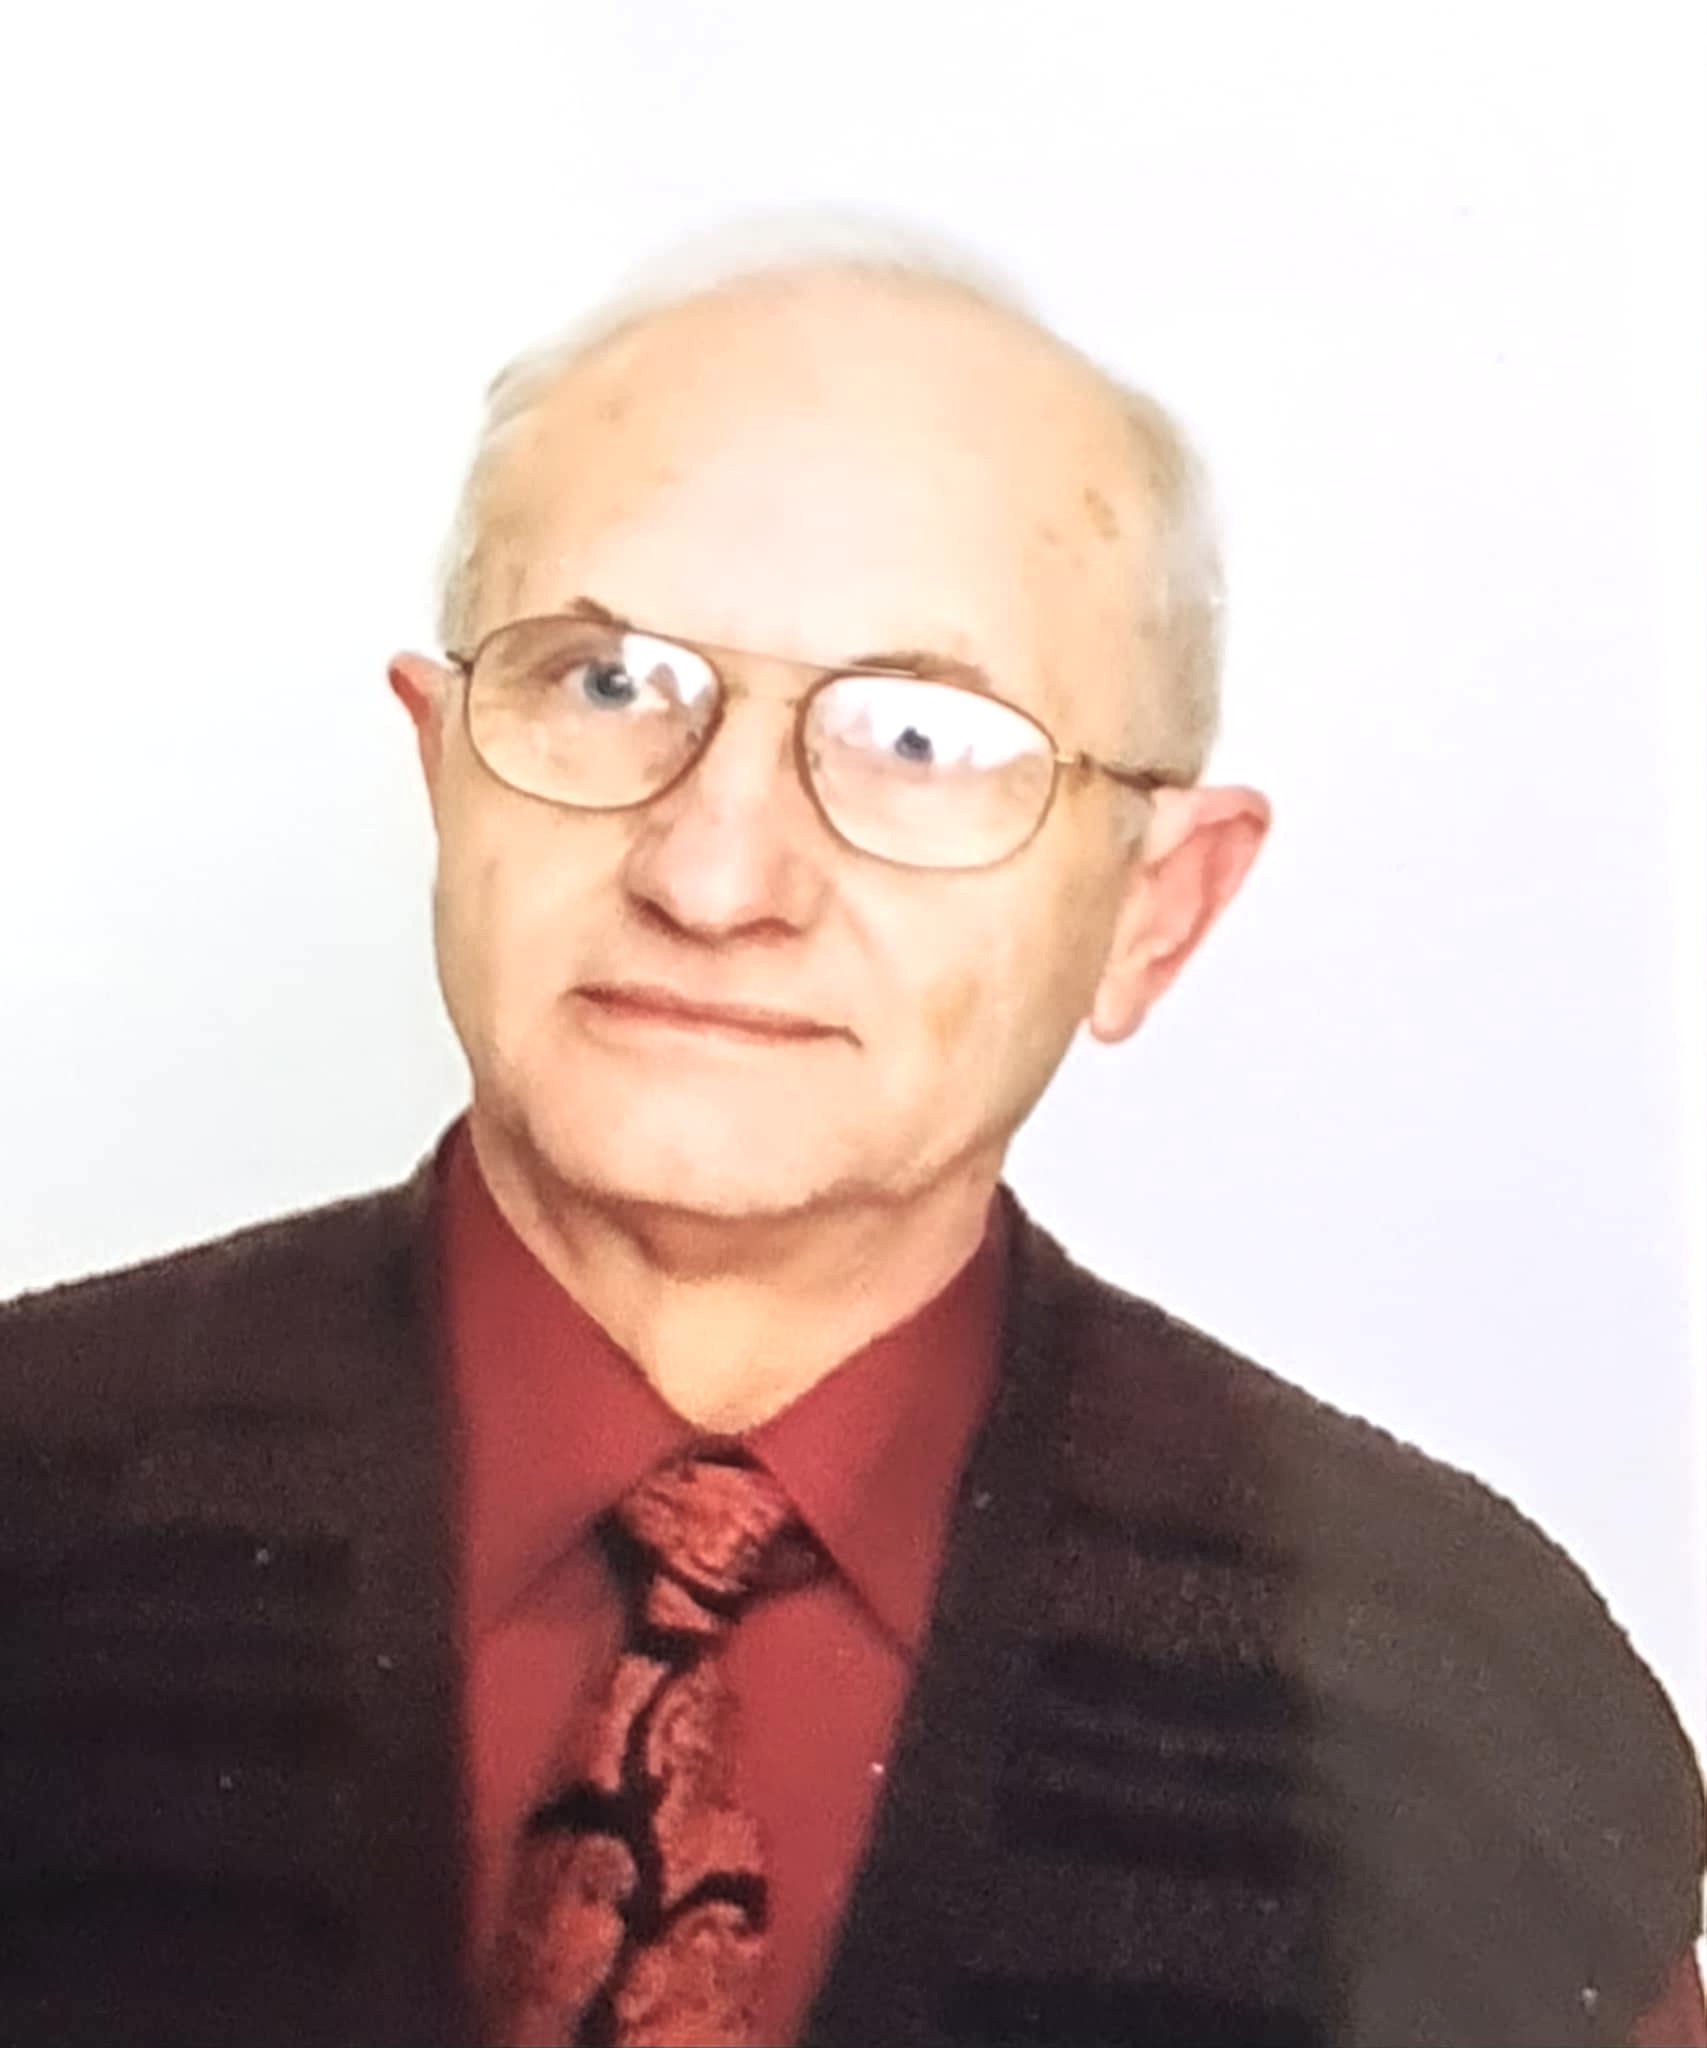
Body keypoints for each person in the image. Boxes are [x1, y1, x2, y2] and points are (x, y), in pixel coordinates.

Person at [2, 222, 1702, 2048]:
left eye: (921, 739)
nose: (713, 874)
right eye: (604, 683)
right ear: (445, 765)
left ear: (1157, 909)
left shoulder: (1454, 1707)